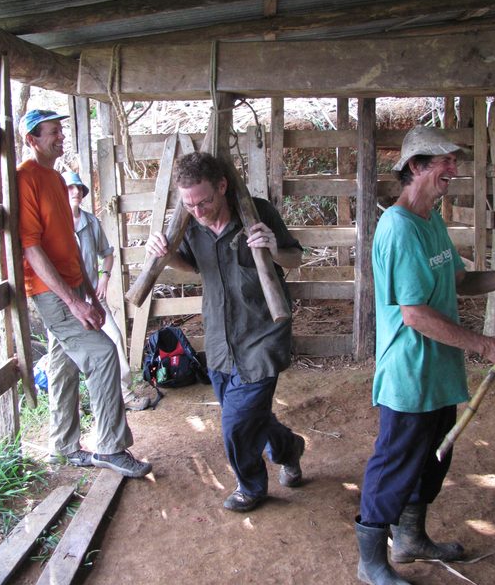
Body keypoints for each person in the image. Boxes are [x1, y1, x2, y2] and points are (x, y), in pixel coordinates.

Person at [356, 125, 495, 585]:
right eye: (444, 160)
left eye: (454, 160)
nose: (453, 168)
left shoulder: (431, 220)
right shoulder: (400, 228)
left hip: (438, 369)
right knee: (395, 464)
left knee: (434, 459)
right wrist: (485, 346)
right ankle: (371, 561)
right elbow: (414, 314)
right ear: (416, 167)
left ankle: (410, 539)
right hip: (409, 373)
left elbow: (459, 281)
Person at [146, 151, 305, 512]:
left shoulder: (257, 211)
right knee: (253, 416)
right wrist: (167, 253)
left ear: (222, 186)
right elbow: (191, 265)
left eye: (204, 202)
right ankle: (289, 448)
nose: (198, 211)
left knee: (235, 422)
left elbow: (296, 258)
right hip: (220, 340)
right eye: (189, 204)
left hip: (262, 336)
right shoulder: (189, 221)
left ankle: (250, 486)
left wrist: (273, 247)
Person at [17, 109, 152, 478]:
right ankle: (110, 447)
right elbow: (31, 248)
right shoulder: (25, 179)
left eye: (61, 131)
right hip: (51, 291)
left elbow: (69, 240)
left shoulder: (57, 180)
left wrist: (89, 290)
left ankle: (63, 445)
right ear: (32, 139)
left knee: (62, 364)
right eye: (52, 133)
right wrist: (73, 301)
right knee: (104, 353)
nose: (60, 137)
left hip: (74, 284)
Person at [62, 170, 150, 412]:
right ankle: (76, 406)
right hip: (65, 300)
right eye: (70, 188)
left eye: (79, 188)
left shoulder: (91, 222)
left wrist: (104, 278)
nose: (76, 192)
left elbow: (107, 254)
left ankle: (125, 394)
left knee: (114, 338)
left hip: (91, 297)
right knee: (67, 353)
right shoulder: (56, 225)